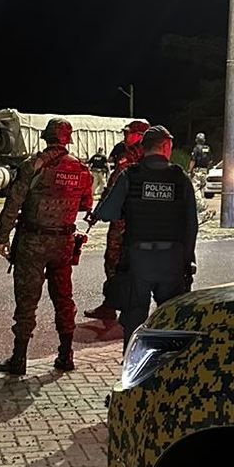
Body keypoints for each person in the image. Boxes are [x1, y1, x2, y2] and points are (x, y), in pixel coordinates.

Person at [0, 118, 93, 375]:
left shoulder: (32, 166)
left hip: (33, 242)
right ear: (67, 139)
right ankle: (65, 354)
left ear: (46, 137)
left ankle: (19, 359)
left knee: (27, 301)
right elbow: (85, 204)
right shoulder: (81, 169)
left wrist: (3, 236)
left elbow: (12, 205)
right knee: (64, 297)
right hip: (64, 243)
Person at [93, 125, 197, 347]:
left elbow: (106, 212)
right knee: (171, 321)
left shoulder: (130, 175)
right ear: (166, 146)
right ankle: (166, 372)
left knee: (133, 324)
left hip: (138, 261)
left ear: (144, 148)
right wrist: (186, 260)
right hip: (172, 262)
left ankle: (132, 373)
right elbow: (191, 226)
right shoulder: (180, 178)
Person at [83, 119, 149, 323]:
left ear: (140, 135)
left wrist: (100, 211)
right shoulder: (126, 155)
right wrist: (98, 211)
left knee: (121, 262)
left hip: (130, 220)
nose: (125, 136)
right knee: (113, 261)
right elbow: (111, 186)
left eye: (129, 133)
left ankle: (128, 309)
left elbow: (116, 187)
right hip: (122, 218)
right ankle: (111, 305)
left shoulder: (142, 158)